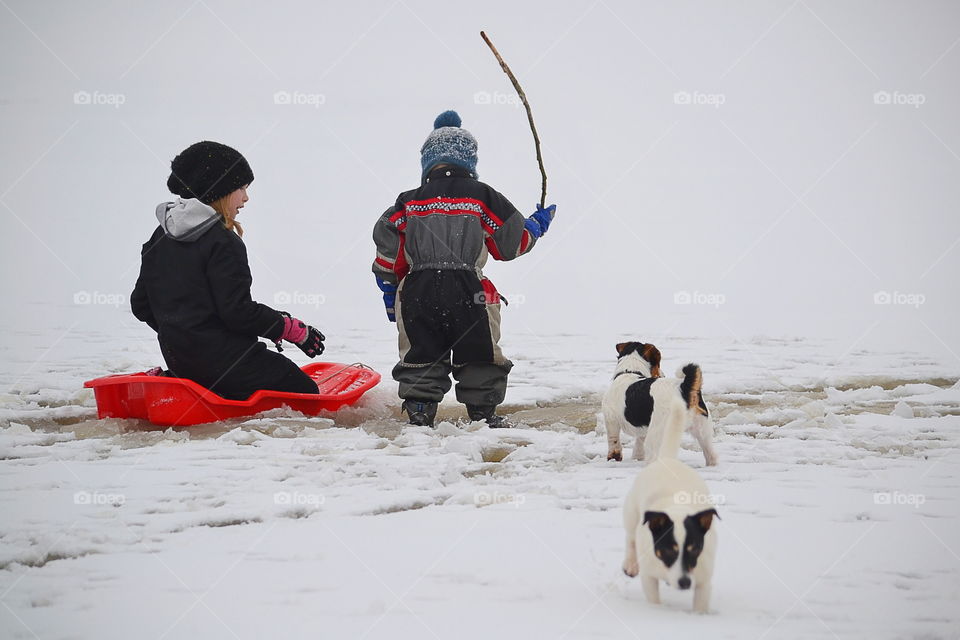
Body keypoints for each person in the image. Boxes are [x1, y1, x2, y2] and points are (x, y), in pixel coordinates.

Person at [372, 111, 556, 427]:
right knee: (479, 351)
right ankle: (483, 416)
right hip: (469, 290)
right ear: (470, 161)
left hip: (418, 289)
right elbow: (509, 245)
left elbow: (389, 256)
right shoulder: (483, 196)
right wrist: (536, 225)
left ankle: (419, 411)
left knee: (421, 352)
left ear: (427, 162)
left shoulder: (407, 202)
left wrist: (391, 294)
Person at [131, 141, 325, 400]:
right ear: (218, 190)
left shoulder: (160, 236)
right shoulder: (223, 241)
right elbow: (237, 312)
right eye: (241, 188)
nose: (246, 198)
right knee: (306, 392)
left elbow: (140, 304)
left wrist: (183, 334)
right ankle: (225, 393)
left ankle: (181, 382)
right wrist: (287, 328)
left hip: (183, 362)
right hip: (230, 364)